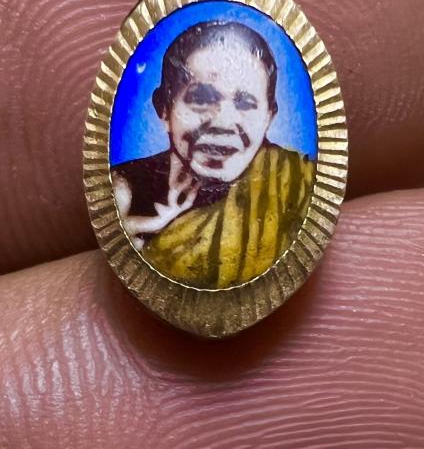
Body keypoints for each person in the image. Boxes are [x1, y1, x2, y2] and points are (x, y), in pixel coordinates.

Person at [112, 21, 314, 288]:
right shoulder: (124, 193)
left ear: (269, 116)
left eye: (245, 103)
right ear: (163, 109)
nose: (223, 122)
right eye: (201, 99)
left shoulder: (298, 187)